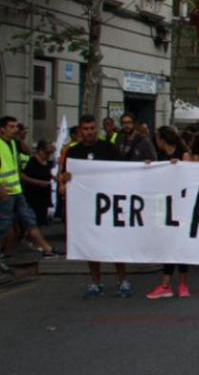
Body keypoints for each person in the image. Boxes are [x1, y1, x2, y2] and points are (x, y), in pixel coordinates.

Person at [60, 115, 129, 298]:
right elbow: (63, 178)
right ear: (80, 131)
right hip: (86, 206)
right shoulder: (73, 152)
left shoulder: (108, 148)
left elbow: (124, 171)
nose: (89, 132)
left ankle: (122, 280)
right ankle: (95, 282)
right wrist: (64, 179)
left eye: (92, 128)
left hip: (108, 204)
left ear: (96, 130)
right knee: (90, 244)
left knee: (115, 242)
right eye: (85, 129)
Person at [0, 118, 61, 259]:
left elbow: (23, 156)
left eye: (16, 126)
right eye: (12, 126)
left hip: (16, 191)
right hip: (5, 192)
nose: (16, 129)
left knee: (29, 219)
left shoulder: (13, 144)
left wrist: (20, 139)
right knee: (4, 224)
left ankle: (47, 248)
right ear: (2, 129)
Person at [146, 127, 193, 299]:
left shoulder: (183, 153)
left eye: (157, 139)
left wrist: (177, 168)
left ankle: (182, 284)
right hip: (163, 204)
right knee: (168, 244)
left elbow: (188, 177)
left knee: (180, 244)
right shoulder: (160, 158)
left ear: (162, 140)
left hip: (180, 204)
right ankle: (166, 285)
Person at [20, 140, 54, 227]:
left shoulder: (47, 162)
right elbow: (23, 177)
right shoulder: (32, 162)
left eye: (51, 153)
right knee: (32, 221)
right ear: (40, 151)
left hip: (44, 197)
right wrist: (39, 183)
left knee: (41, 221)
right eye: (47, 153)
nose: (49, 156)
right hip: (33, 196)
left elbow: (48, 174)